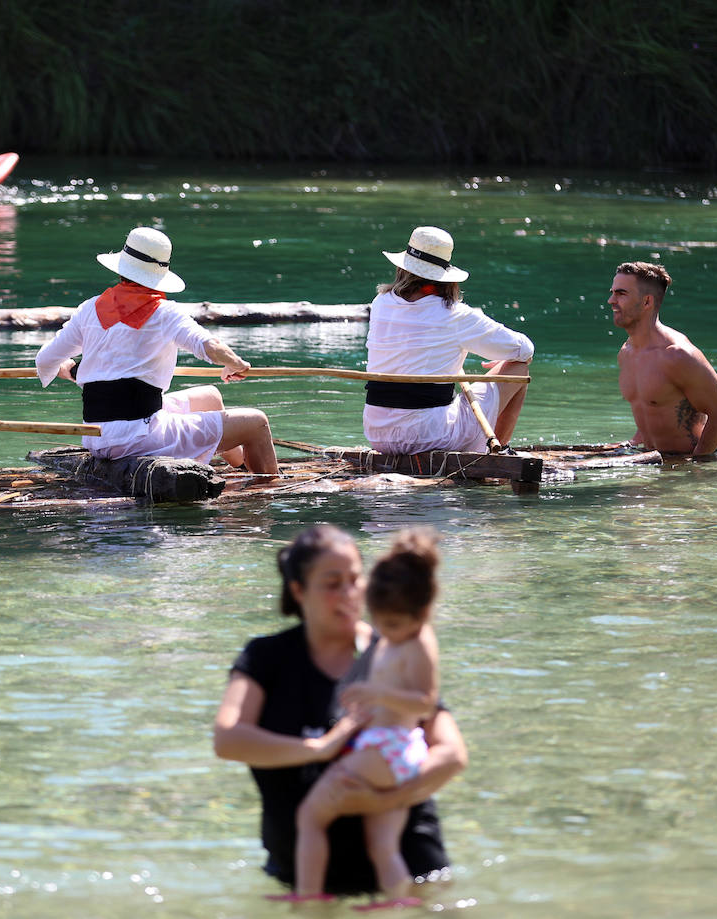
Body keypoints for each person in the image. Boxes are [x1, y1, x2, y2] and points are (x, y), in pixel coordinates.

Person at [214, 525, 468, 900]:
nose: (349, 593)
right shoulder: (267, 658)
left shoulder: (392, 647)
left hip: (410, 877)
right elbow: (228, 739)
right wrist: (318, 749)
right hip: (305, 883)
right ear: (299, 591)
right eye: (333, 583)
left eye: (354, 579)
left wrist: (385, 801)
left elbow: (452, 754)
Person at [35, 227, 279, 474]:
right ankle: (264, 494)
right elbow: (210, 347)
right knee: (257, 423)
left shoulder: (89, 309)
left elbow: (45, 359)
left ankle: (242, 466)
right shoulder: (164, 313)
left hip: (96, 437)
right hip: (140, 437)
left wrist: (66, 369)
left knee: (210, 397)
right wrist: (236, 364)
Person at [290, 529, 443, 907]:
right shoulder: (398, 638)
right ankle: (398, 903)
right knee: (381, 843)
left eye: (392, 625)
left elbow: (426, 703)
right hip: (391, 750)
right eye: (380, 621)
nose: (384, 632)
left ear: (422, 612)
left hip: (391, 748)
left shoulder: (420, 641)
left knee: (311, 816)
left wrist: (378, 694)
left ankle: (308, 899)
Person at [363, 226, 534, 453]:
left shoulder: (380, 303)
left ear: (402, 267)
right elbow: (525, 349)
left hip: (377, 434)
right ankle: (498, 456)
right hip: (429, 436)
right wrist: (507, 361)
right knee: (519, 370)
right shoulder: (455, 315)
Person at [609, 261, 717, 458]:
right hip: (652, 462)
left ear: (647, 302)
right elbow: (652, 409)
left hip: (688, 466)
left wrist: (695, 468)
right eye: (613, 292)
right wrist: (630, 444)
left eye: (621, 293)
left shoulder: (678, 355)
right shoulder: (626, 353)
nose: (611, 301)